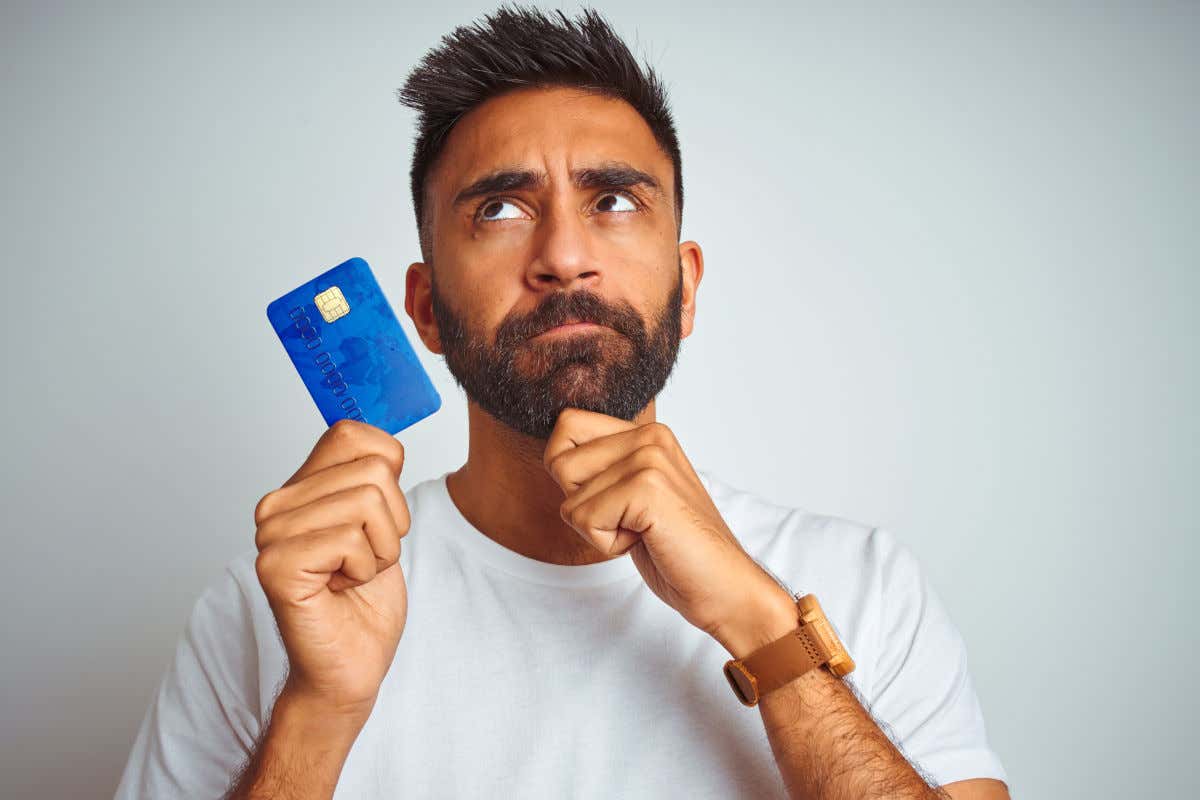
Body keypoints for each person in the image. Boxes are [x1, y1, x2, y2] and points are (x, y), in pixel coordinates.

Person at [115, 5, 1010, 798]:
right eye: (500, 210)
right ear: (425, 307)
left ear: (686, 287)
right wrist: (321, 708)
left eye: (614, 200)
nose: (564, 257)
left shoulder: (862, 586)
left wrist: (762, 627)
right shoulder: (269, 611)